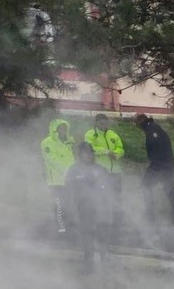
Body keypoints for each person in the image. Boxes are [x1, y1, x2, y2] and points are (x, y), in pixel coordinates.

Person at [134, 113, 174, 228]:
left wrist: (155, 163)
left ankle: (150, 216)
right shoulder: (153, 127)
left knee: (146, 186)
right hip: (167, 163)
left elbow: (157, 146)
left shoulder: (151, 129)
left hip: (160, 164)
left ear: (141, 121)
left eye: (136, 123)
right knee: (169, 189)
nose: (136, 126)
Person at [63, 142, 109, 271]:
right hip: (83, 208)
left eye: (90, 153)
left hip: (100, 207)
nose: (88, 156)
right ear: (79, 155)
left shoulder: (100, 169)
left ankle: (104, 260)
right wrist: (70, 209)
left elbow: (108, 189)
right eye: (85, 153)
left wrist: (107, 205)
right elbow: (68, 190)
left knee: (102, 233)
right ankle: (89, 260)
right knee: (87, 233)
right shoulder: (73, 170)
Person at [82, 114, 125, 232]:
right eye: (101, 123)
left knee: (117, 197)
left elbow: (121, 148)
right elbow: (90, 149)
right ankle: (100, 222)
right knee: (101, 197)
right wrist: (106, 152)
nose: (104, 126)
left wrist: (116, 154)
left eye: (106, 123)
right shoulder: (90, 134)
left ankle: (117, 223)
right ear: (96, 123)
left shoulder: (113, 135)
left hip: (115, 171)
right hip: (99, 172)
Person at [40, 119, 75, 235]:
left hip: (69, 180)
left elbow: (72, 159)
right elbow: (51, 159)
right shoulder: (46, 142)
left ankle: (69, 226)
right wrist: (66, 171)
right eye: (60, 128)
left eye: (65, 128)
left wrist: (73, 172)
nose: (63, 131)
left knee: (68, 203)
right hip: (55, 180)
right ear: (55, 129)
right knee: (58, 204)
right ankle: (60, 228)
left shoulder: (68, 142)